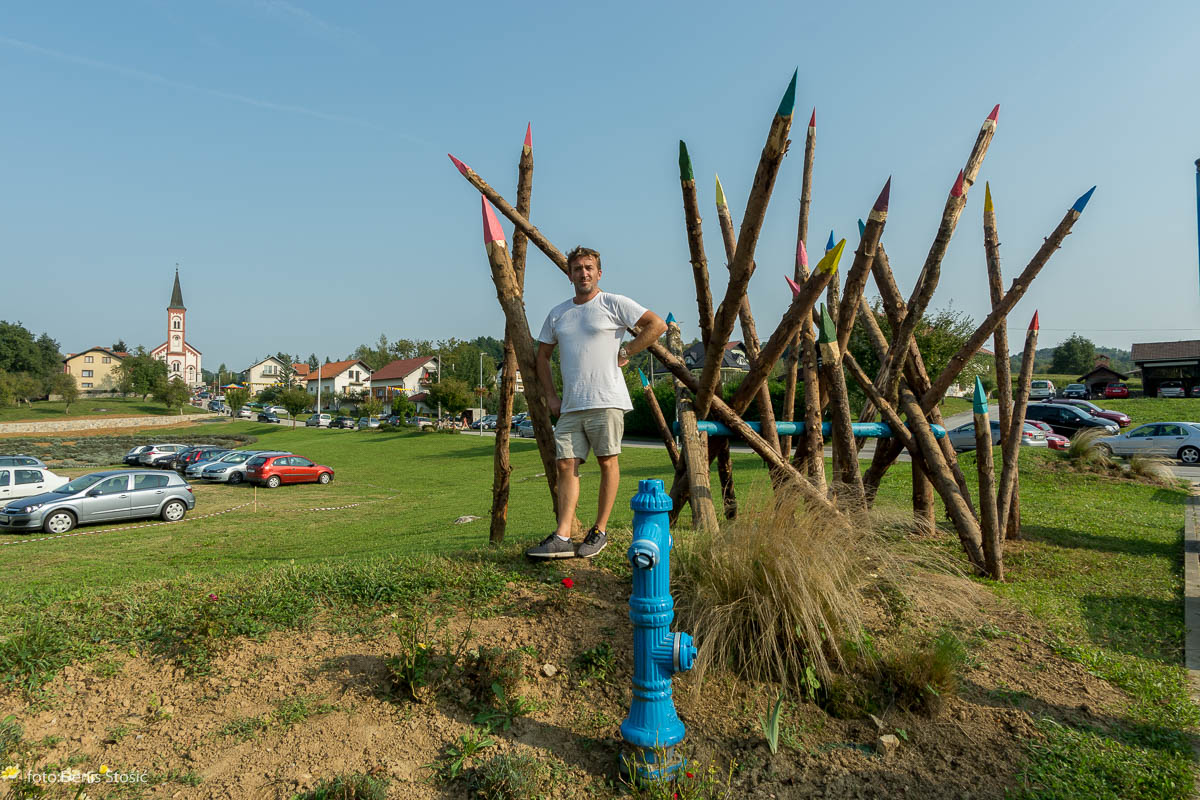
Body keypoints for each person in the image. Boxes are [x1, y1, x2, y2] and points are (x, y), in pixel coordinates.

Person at [525, 246, 666, 559]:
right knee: (565, 464)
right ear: (569, 275)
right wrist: (551, 396)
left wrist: (627, 351)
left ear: (599, 273)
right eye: (577, 269)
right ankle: (562, 536)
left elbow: (657, 325)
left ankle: (599, 531)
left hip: (606, 399)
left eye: (589, 268)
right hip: (571, 404)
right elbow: (542, 356)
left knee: (607, 462)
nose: (583, 273)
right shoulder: (558, 313)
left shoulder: (613, 303)